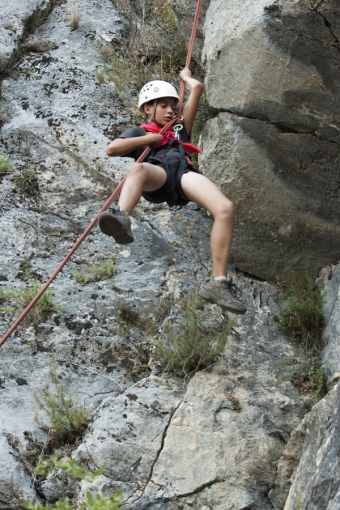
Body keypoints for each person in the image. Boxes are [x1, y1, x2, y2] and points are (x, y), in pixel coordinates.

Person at [99, 68, 246, 314]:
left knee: (225, 208)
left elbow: (197, 88)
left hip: (183, 175)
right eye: (164, 106)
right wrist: (149, 140)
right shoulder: (140, 131)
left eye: (172, 105)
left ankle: (218, 283)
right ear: (148, 108)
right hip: (158, 175)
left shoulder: (180, 127)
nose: (170, 111)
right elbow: (113, 149)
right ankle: (121, 216)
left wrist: (186, 78)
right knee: (138, 170)